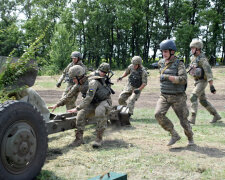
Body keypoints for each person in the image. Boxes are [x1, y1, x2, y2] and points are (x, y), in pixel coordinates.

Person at [49, 63, 112, 148]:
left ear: (79, 77)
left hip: (104, 101)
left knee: (99, 111)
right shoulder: (78, 85)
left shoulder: (92, 82)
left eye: (74, 79)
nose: (73, 81)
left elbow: (89, 97)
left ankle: (99, 138)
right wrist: (57, 104)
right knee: (80, 115)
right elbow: (69, 96)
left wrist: (77, 108)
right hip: (92, 103)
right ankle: (79, 139)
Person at [154, 39, 194, 146]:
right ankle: (174, 134)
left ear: (172, 51)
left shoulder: (179, 64)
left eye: (166, 51)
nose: (164, 54)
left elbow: (183, 79)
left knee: (183, 120)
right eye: (162, 51)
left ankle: (190, 138)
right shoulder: (161, 63)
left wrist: (168, 77)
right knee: (158, 114)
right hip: (164, 96)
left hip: (178, 97)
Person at [188, 38, 221, 124]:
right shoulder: (194, 58)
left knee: (193, 96)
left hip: (203, 81)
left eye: (193, 48)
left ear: (198, 49)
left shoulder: (203, 59)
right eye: (191, 48)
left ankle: (192, 118)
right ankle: (216, 115)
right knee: (203, 101)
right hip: (197, 82)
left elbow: (208, 72)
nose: (191, 50)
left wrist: (211, 86)